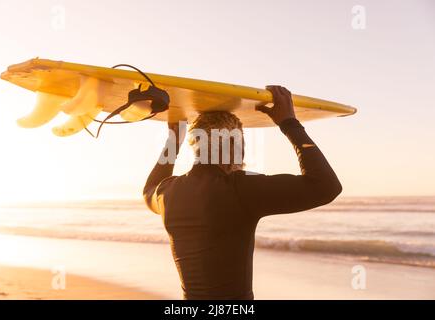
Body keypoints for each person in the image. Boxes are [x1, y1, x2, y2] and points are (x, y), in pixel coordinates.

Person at [143, 85, 342, 300]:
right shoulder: (240, 188)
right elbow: (326, 186)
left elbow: (148, 190)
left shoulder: (168, 192)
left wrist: (173, 142)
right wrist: (289, 124)